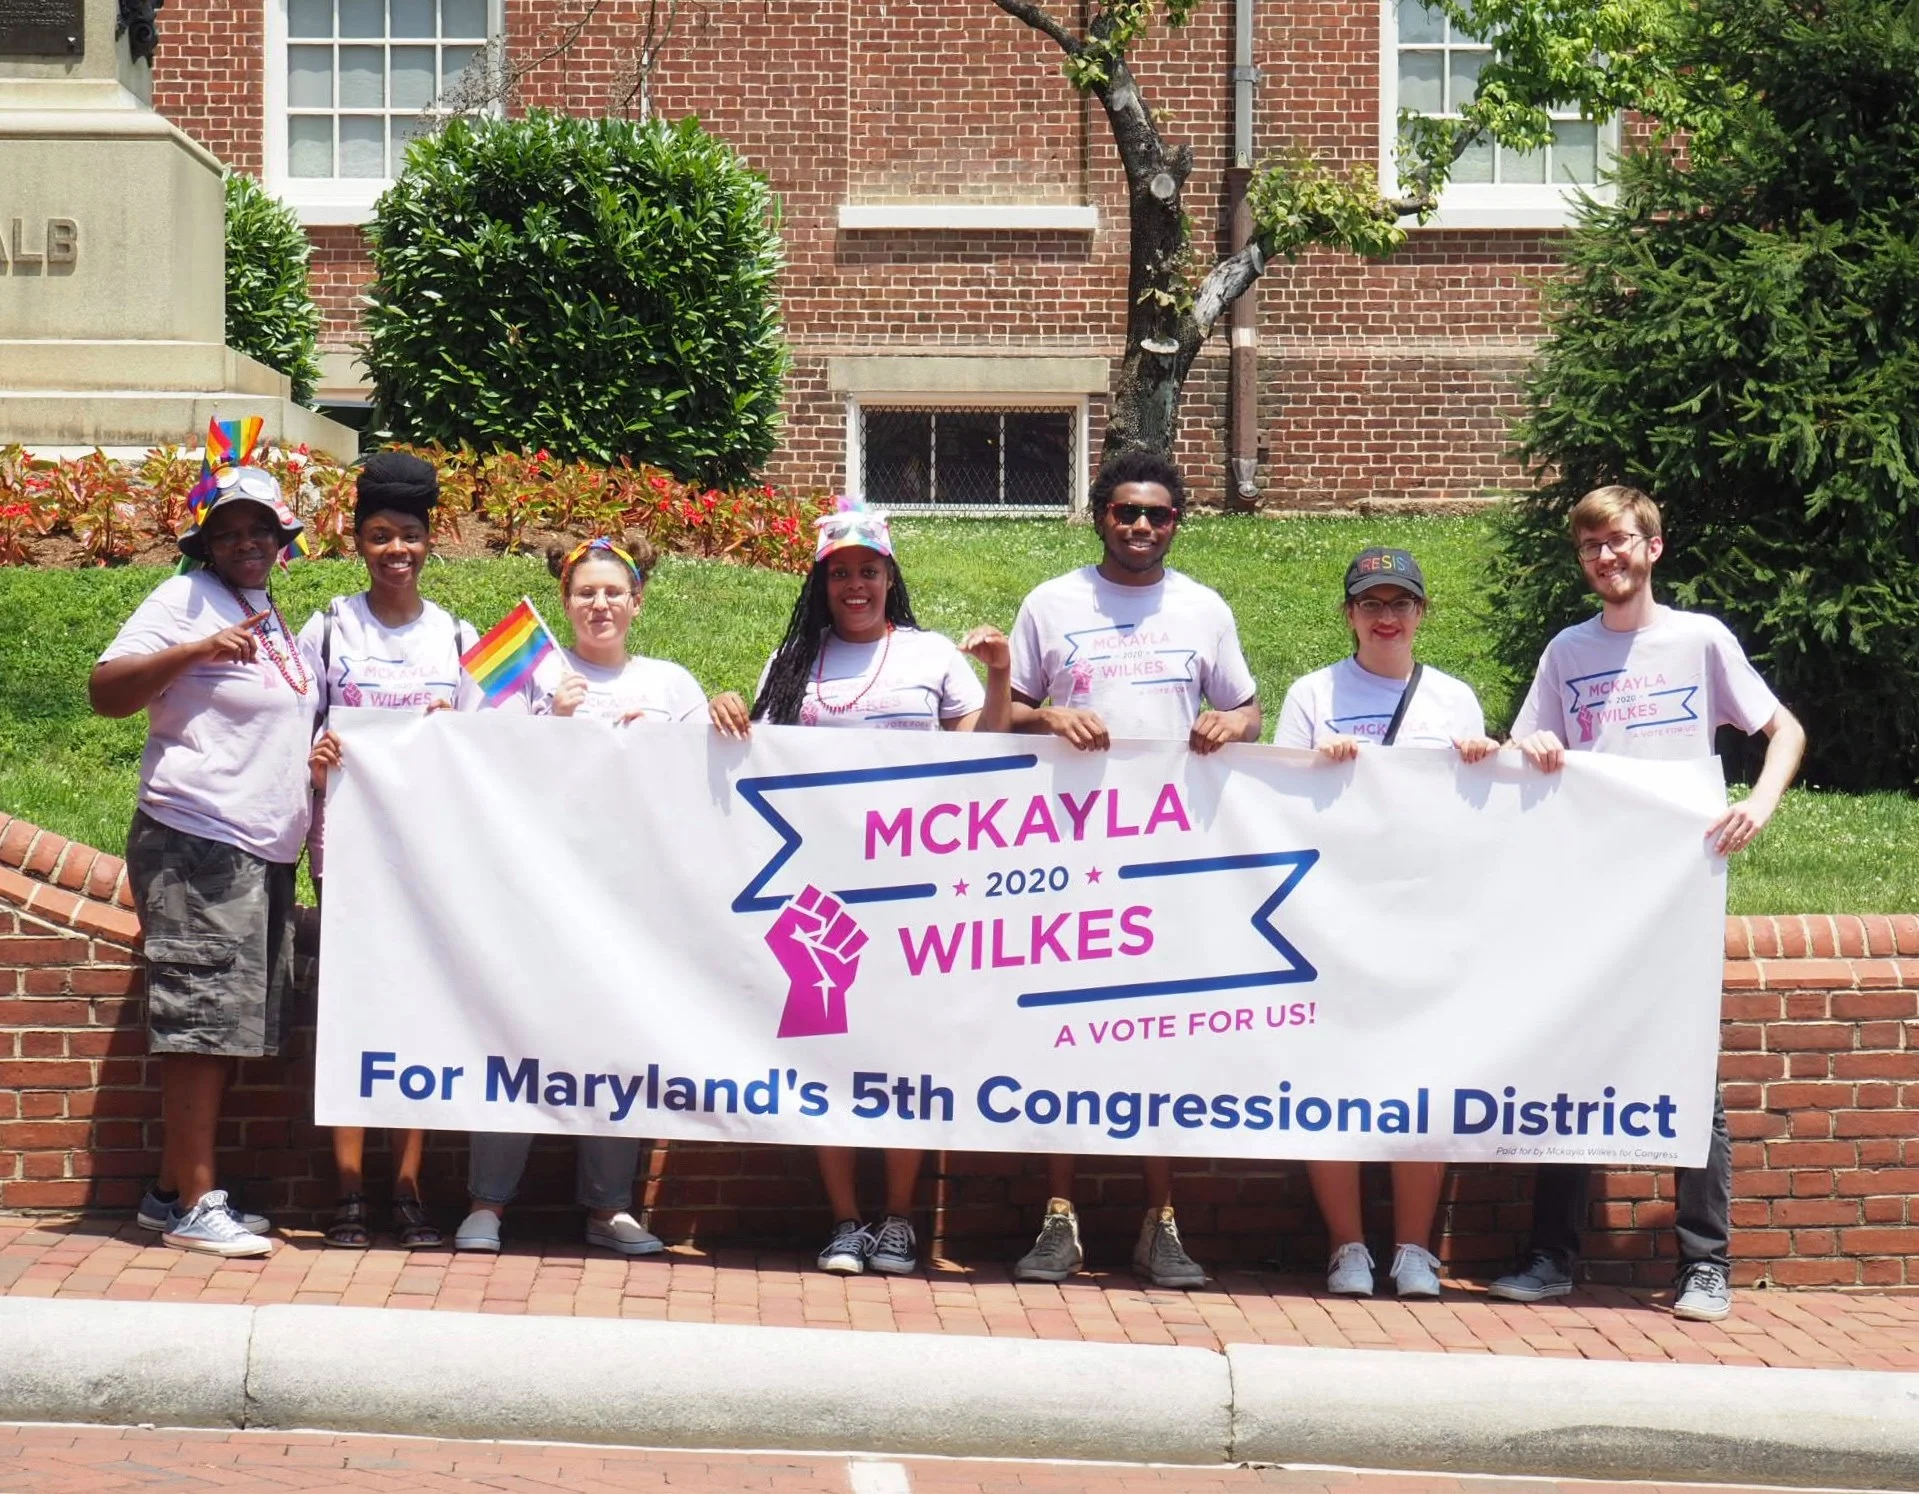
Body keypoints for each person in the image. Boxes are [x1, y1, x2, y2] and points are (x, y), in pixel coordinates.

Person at [1492, 484, 1806, 1322]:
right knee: (1571, 1068)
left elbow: (1783, 730)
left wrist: (1761, 803)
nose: (1606, 558)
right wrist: (1538, 741)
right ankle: (1551, 1257)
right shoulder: (1566, 651)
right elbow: (1526, 743)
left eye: (1620, 542)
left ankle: (1705, 1265)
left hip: (1675, 892)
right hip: (1589, 890)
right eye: (1591, 547)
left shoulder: (1698, 641)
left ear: (1652, 547)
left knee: (1685, 1070)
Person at [709, 497, 1011, 1277]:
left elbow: (987, 753)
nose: (854, 586)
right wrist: (724, 712)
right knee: (825, 1051)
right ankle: (844, 1220)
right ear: (820, 583)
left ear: (889, 576)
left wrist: (1002, 675)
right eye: (838, 573)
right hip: (818, 898)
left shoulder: (928, 655)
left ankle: (899, 1219)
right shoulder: (791, 663)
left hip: (914, 891)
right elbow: (758, 766)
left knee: (906, 1053)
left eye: (867, 571)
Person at [1005, 448, 1262, 1290]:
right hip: (1066, 855)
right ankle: (1058, 1220)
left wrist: (1233, 727)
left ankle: (1162, 1223)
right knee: (1060, 1033)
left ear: (1176, 521)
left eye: (1156, 513)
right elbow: (1003, 710)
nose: (1141, 526)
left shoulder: (1203, 608)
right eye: (1125, 511)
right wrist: (1049, 714)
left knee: (1160, 1036)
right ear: (1098, 515)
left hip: (1169, 860)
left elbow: (1246, 706)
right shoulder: (1052, 602)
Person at [89, 445, 317, 1257]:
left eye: (262, 527)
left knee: (223, 1023)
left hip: (257, 850)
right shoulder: (185, 599)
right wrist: (195, 650)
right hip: (197, 841)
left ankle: (165, 1192)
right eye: (231, 530)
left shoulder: (263, 605)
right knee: (197, 1022)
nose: (248, 541)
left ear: (282, 538)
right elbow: (105, 690)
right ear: (206, 542)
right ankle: (195, 1205)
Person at [452, 534, 705, 1256]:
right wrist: (550, 725)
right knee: (515, 1039)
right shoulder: (532, 679)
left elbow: (702, 786)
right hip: (536, 895)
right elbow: (479, 775)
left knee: (618, 1045)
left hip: (632, 901)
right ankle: (486, 1206)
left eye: (612, 592)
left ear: (637, 600)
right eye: (585, 593)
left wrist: (679, 734)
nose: (600, 604)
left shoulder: (668, 684)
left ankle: (609, 1209)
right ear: (563, 604)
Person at [1274, 547, 1500, 1299]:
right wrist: (1316, 765)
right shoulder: (1312, 694)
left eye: (1399, 603)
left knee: (1420, 1080)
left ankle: (1411, 1249)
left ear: (1420, 614)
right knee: (1330, 1079)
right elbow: (1274, 801)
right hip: (1334, 916)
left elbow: (1477, 813)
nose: (1385, 616)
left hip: (1423, 915)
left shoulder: (1453, 699)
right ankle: (1346, 1248)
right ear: (1348, 615)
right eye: (1370, 603)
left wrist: (1481, 760)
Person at [302, 450, 480, 1251]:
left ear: (428, 540)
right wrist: (314, 761)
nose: (395, 549)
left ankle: (406, 1190)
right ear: (358, 543)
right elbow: (292, 730)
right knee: (348, 1015)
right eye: (379, 535)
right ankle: (347, 1192)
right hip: (346, 850)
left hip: (431, 857)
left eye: (409, 534)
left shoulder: (456, 637)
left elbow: (488, 750)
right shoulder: (330, 627)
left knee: (417, 1017)